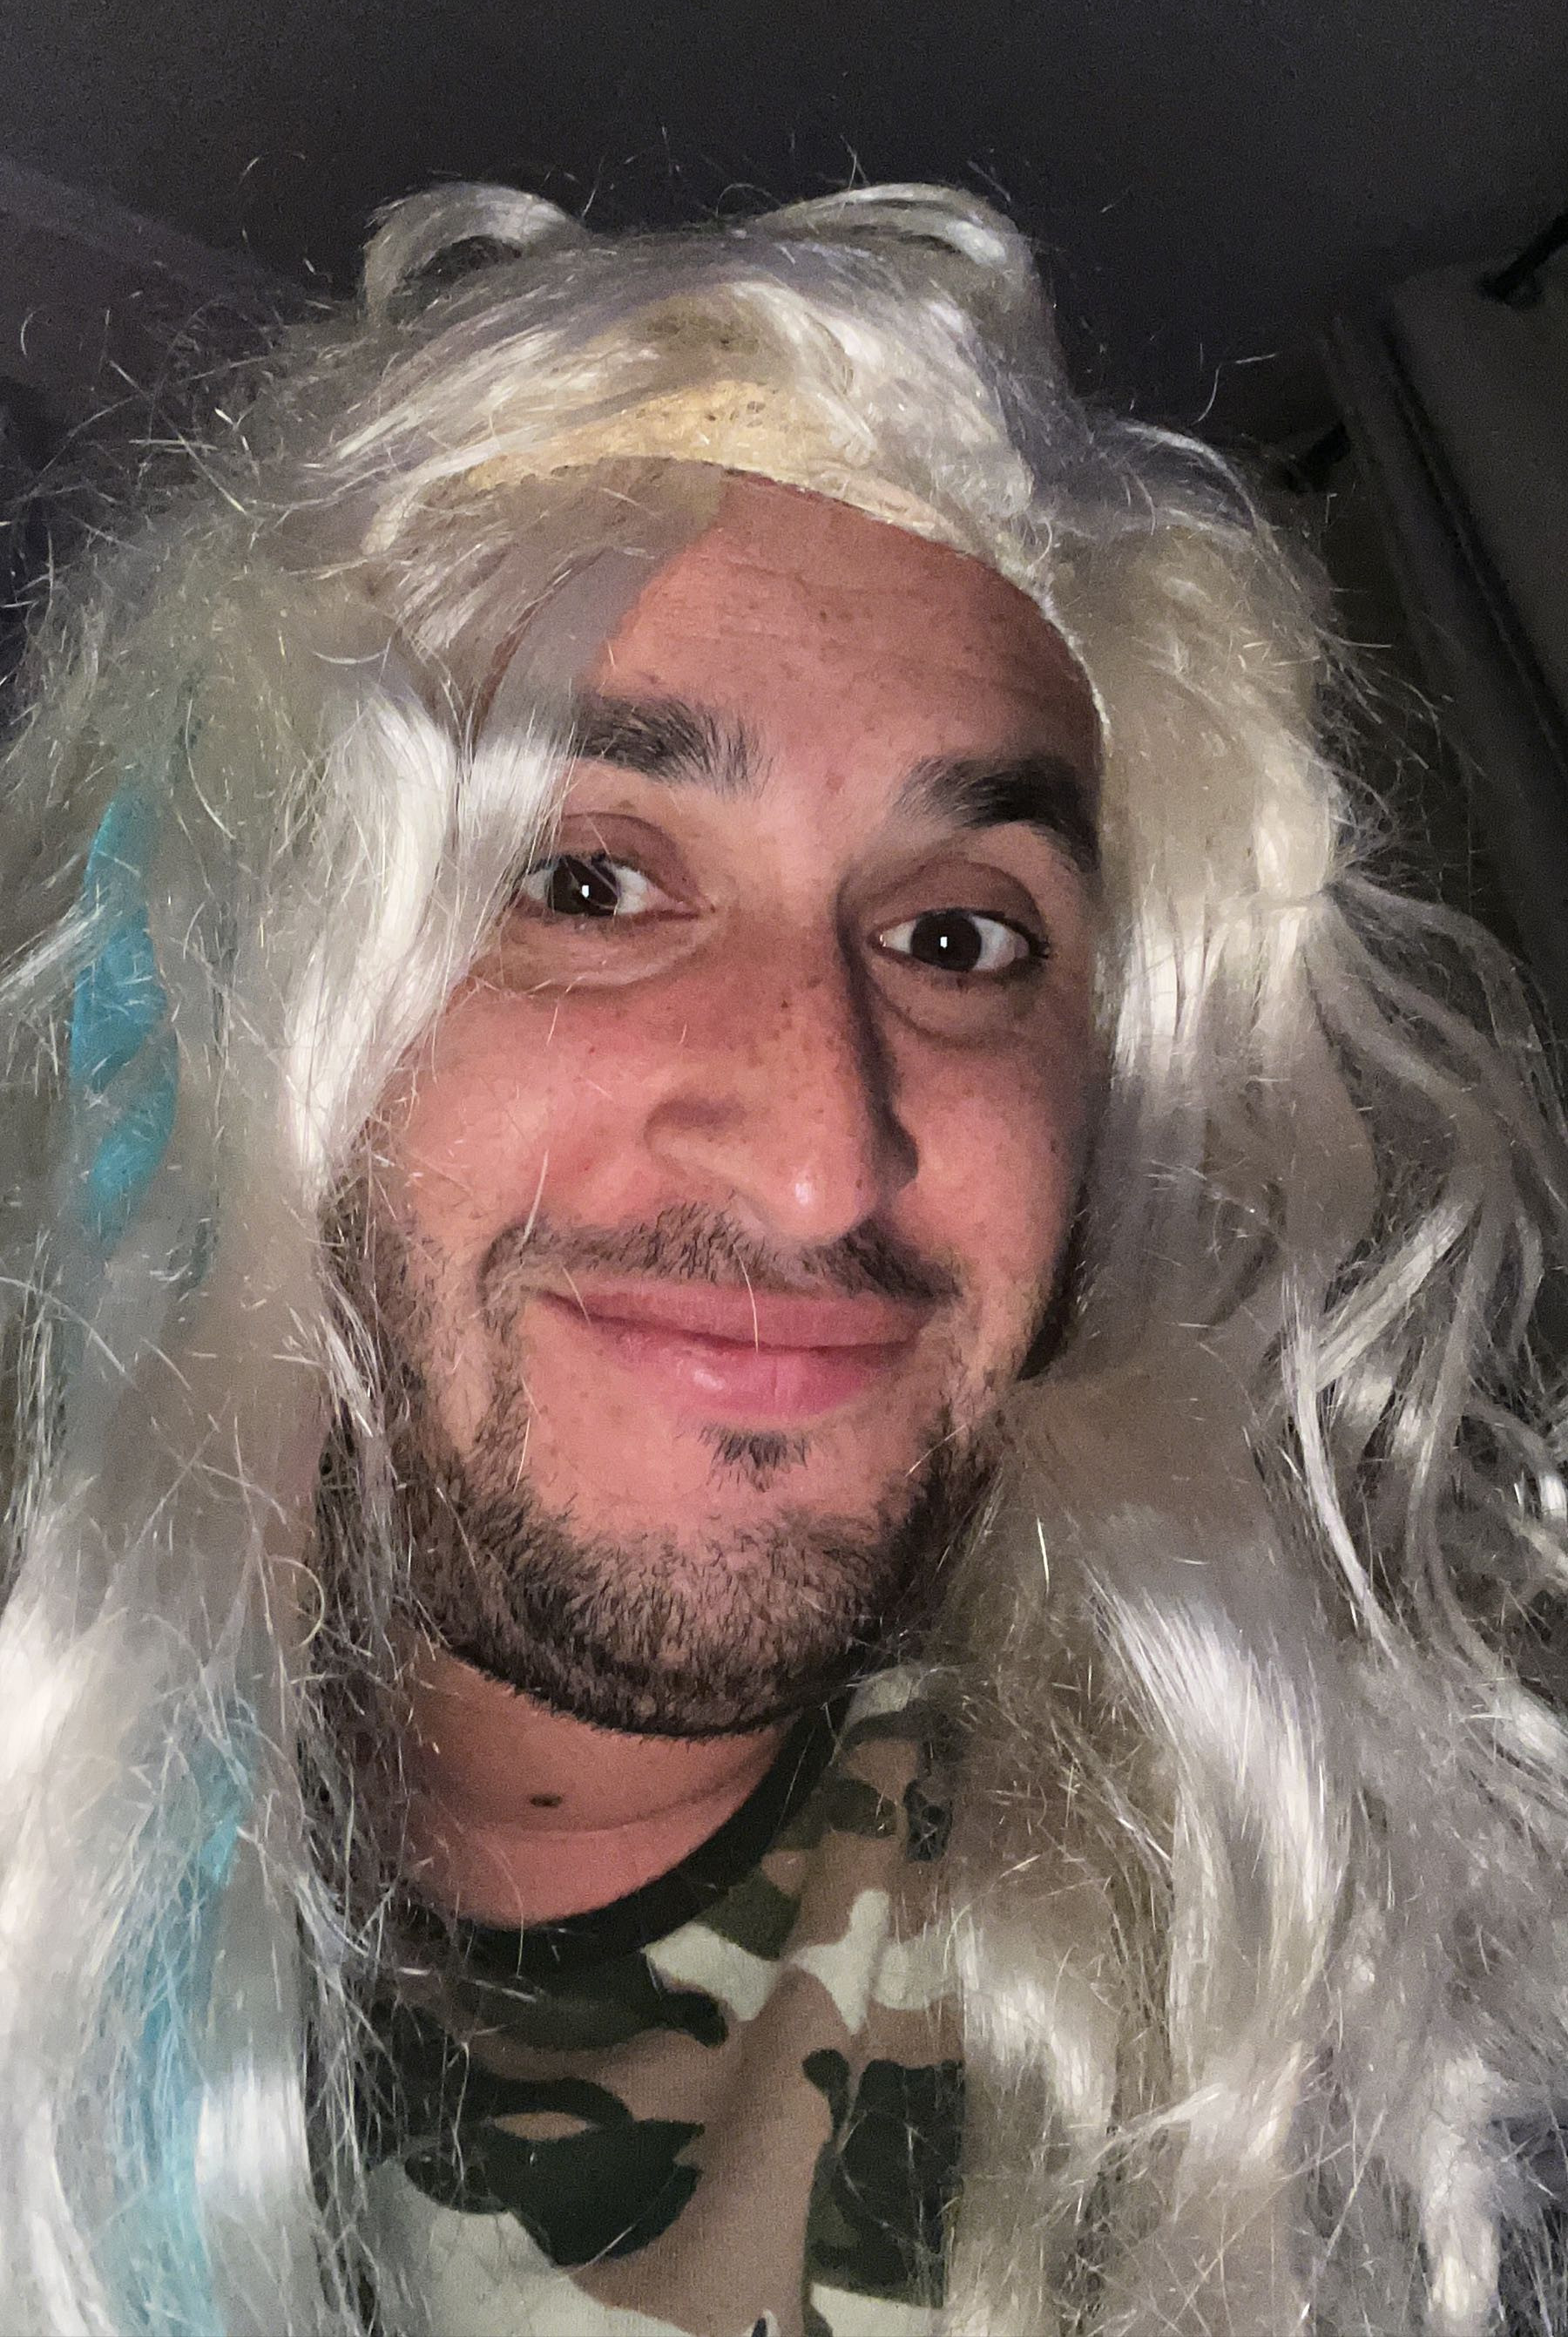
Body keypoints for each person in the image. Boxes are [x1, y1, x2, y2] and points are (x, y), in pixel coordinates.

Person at [0, 181, 1562, 2337]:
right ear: (255, 984)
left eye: (960, 935)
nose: (828, 1159)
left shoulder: (1386, 2029)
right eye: (587, 881)